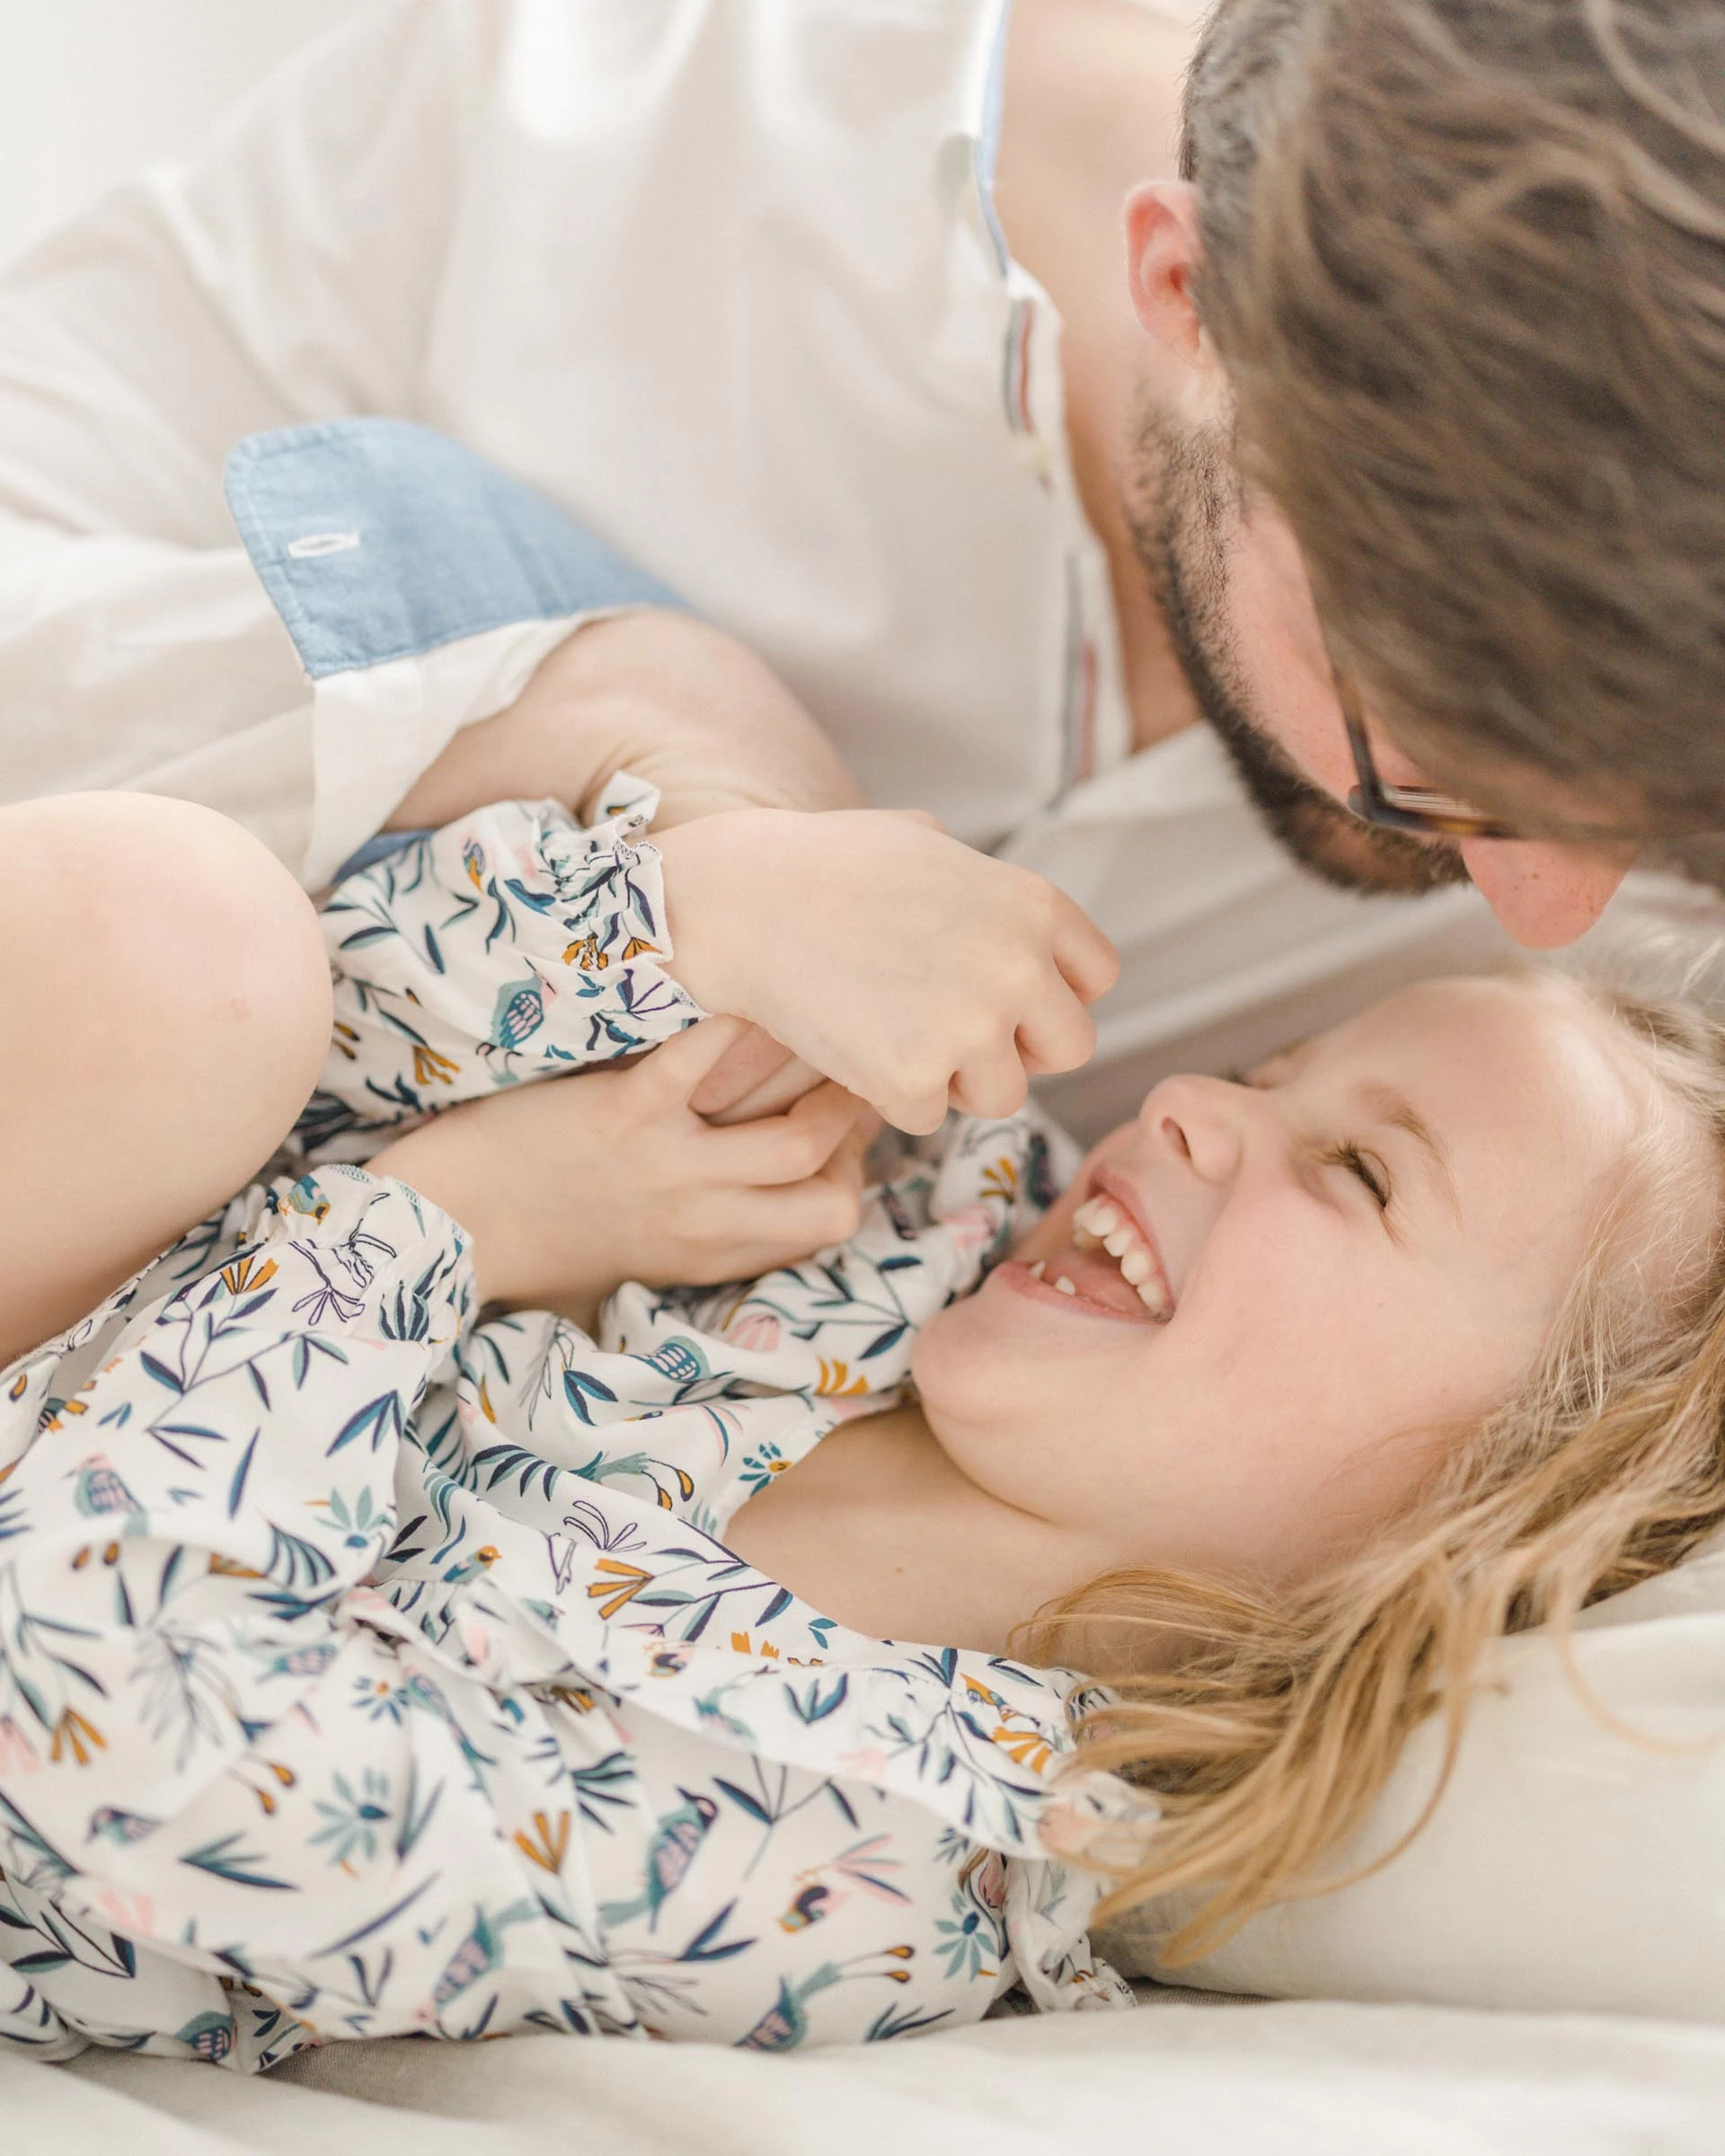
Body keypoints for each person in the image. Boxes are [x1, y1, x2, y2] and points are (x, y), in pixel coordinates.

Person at [9, 0, 1668, 1161]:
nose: (1548, 922)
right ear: (1189, 286)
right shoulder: (581, 85)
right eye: (1438, 758)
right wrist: (606, 748)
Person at [4, 753, 1724, 2066]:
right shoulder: (923, 1190)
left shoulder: (883, 1864)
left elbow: (113, 1723)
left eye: (1356, 1172)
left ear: (1484, 1512)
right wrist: (725, 910)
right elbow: (344, 1005)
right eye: (1276, 1076)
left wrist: (454, 1223)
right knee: (189, 940)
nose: (1194, 1097)